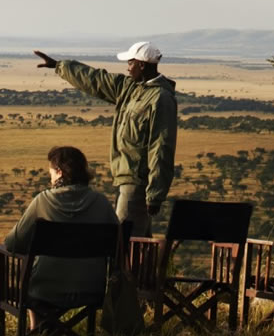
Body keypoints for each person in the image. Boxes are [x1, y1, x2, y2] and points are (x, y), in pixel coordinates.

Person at [33, 41, 177, 237]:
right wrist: (60, 66)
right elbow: (96, 80)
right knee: (135, 240)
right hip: (125, 178)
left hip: (137, 182)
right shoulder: (130, 88)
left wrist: (155, 194)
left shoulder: (160, 98)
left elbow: (161, 147)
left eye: (131, 62)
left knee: (122, 243)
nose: (128, 67)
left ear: (142, 65)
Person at [2, 145, 119, 309]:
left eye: (51, 170)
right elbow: (118, 245)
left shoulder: (42, 200)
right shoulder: (101, 202)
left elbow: (13, 243)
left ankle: (37, 327)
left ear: (59, 172)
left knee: (33, 264)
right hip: (92, 289)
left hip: (44, 291)